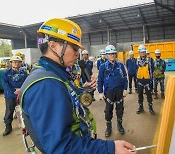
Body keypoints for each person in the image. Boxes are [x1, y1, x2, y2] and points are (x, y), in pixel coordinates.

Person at [20, 18, 136, 154]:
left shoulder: (51, 74)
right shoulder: (46, 85)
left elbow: (62, 99)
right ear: (53, 46)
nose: (77, 53)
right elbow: (62, 148)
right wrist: (110, 148)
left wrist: (79, 90)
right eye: (74, 48)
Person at [98, 45, 128, 137]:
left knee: (120, 109)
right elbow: (100, 80)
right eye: (110, 54)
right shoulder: (103, 67)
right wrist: (100, 92)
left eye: (113, 53)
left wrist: (125, 89)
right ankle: (109, 127)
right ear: (107, 55)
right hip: (109, 92)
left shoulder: (120, 65)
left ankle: (119, 125)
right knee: (108, 110)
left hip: (119, 91)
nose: (112, 55)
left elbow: (125, 77)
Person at [1, 56, 27, 136]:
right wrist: (14, 91)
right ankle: (8, 126)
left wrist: (21, 90)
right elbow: (5, 84)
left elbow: (27, 81)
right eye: (14, 62)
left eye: (18, 62)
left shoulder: (24, 72)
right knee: (9, 111)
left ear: (21, 63)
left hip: (21, 94)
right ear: (11, 63)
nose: (16, 63)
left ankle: (26, 126)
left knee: (24, 110)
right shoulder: (6, 73)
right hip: (10, 96)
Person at [136, 45, 155, 115]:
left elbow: (153, 69)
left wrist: (150, 78)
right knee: (140, 94)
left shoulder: (150, 59)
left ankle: (150, 108)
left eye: (144, 52)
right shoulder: (137, 60)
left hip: (147, 80)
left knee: (149, 95)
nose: (143, 53)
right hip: (140, 80)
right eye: (141, 52)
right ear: (139, 52)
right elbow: (136, 69)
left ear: (145, 52)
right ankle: (141, 107)